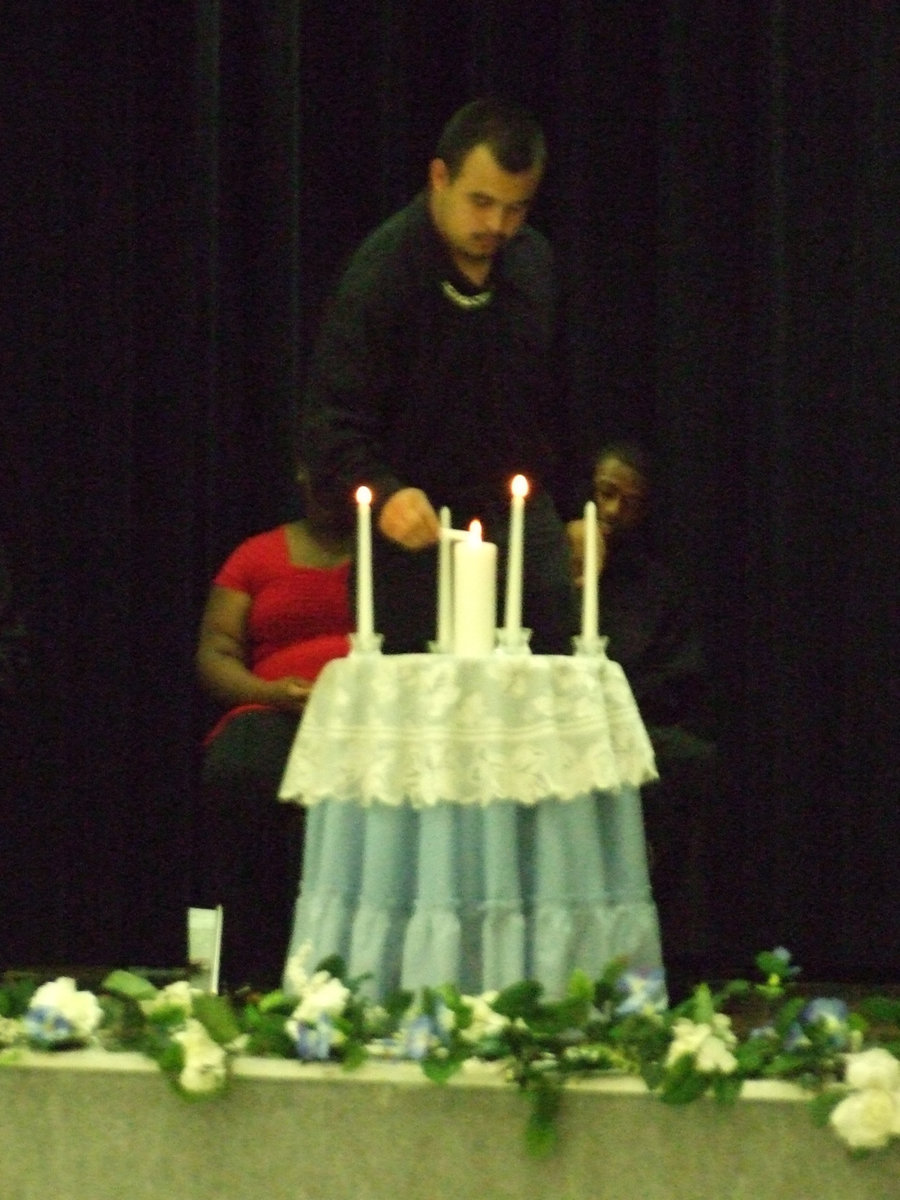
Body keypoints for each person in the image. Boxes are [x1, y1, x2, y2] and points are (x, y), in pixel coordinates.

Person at [301, 97, 575, 654]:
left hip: (522, 526)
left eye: (516, 208)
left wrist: (576, 508)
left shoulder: (532, 263)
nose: (497, 225)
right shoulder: (381, 275)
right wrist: (386, 496)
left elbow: (563, 399)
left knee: (548, 686)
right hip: (417, 536)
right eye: (481, 202)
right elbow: (331, 424)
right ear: (439, 177)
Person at [194, 468, 354, 991]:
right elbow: (215, 653)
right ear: (303, 481)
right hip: (274, 711)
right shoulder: (256, 555)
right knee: (242, 770)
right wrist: (270, 692)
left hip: (368, 720)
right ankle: (253, 974)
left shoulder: (395, 557)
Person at [568, 442, 718, 988]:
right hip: (554, 727)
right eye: (605, 493)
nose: (612, 511)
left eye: (628, 502)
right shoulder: (547, 572)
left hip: (632, 726)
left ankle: (677, 958)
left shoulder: (657, 587)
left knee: (691, 763)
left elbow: (678, 679)